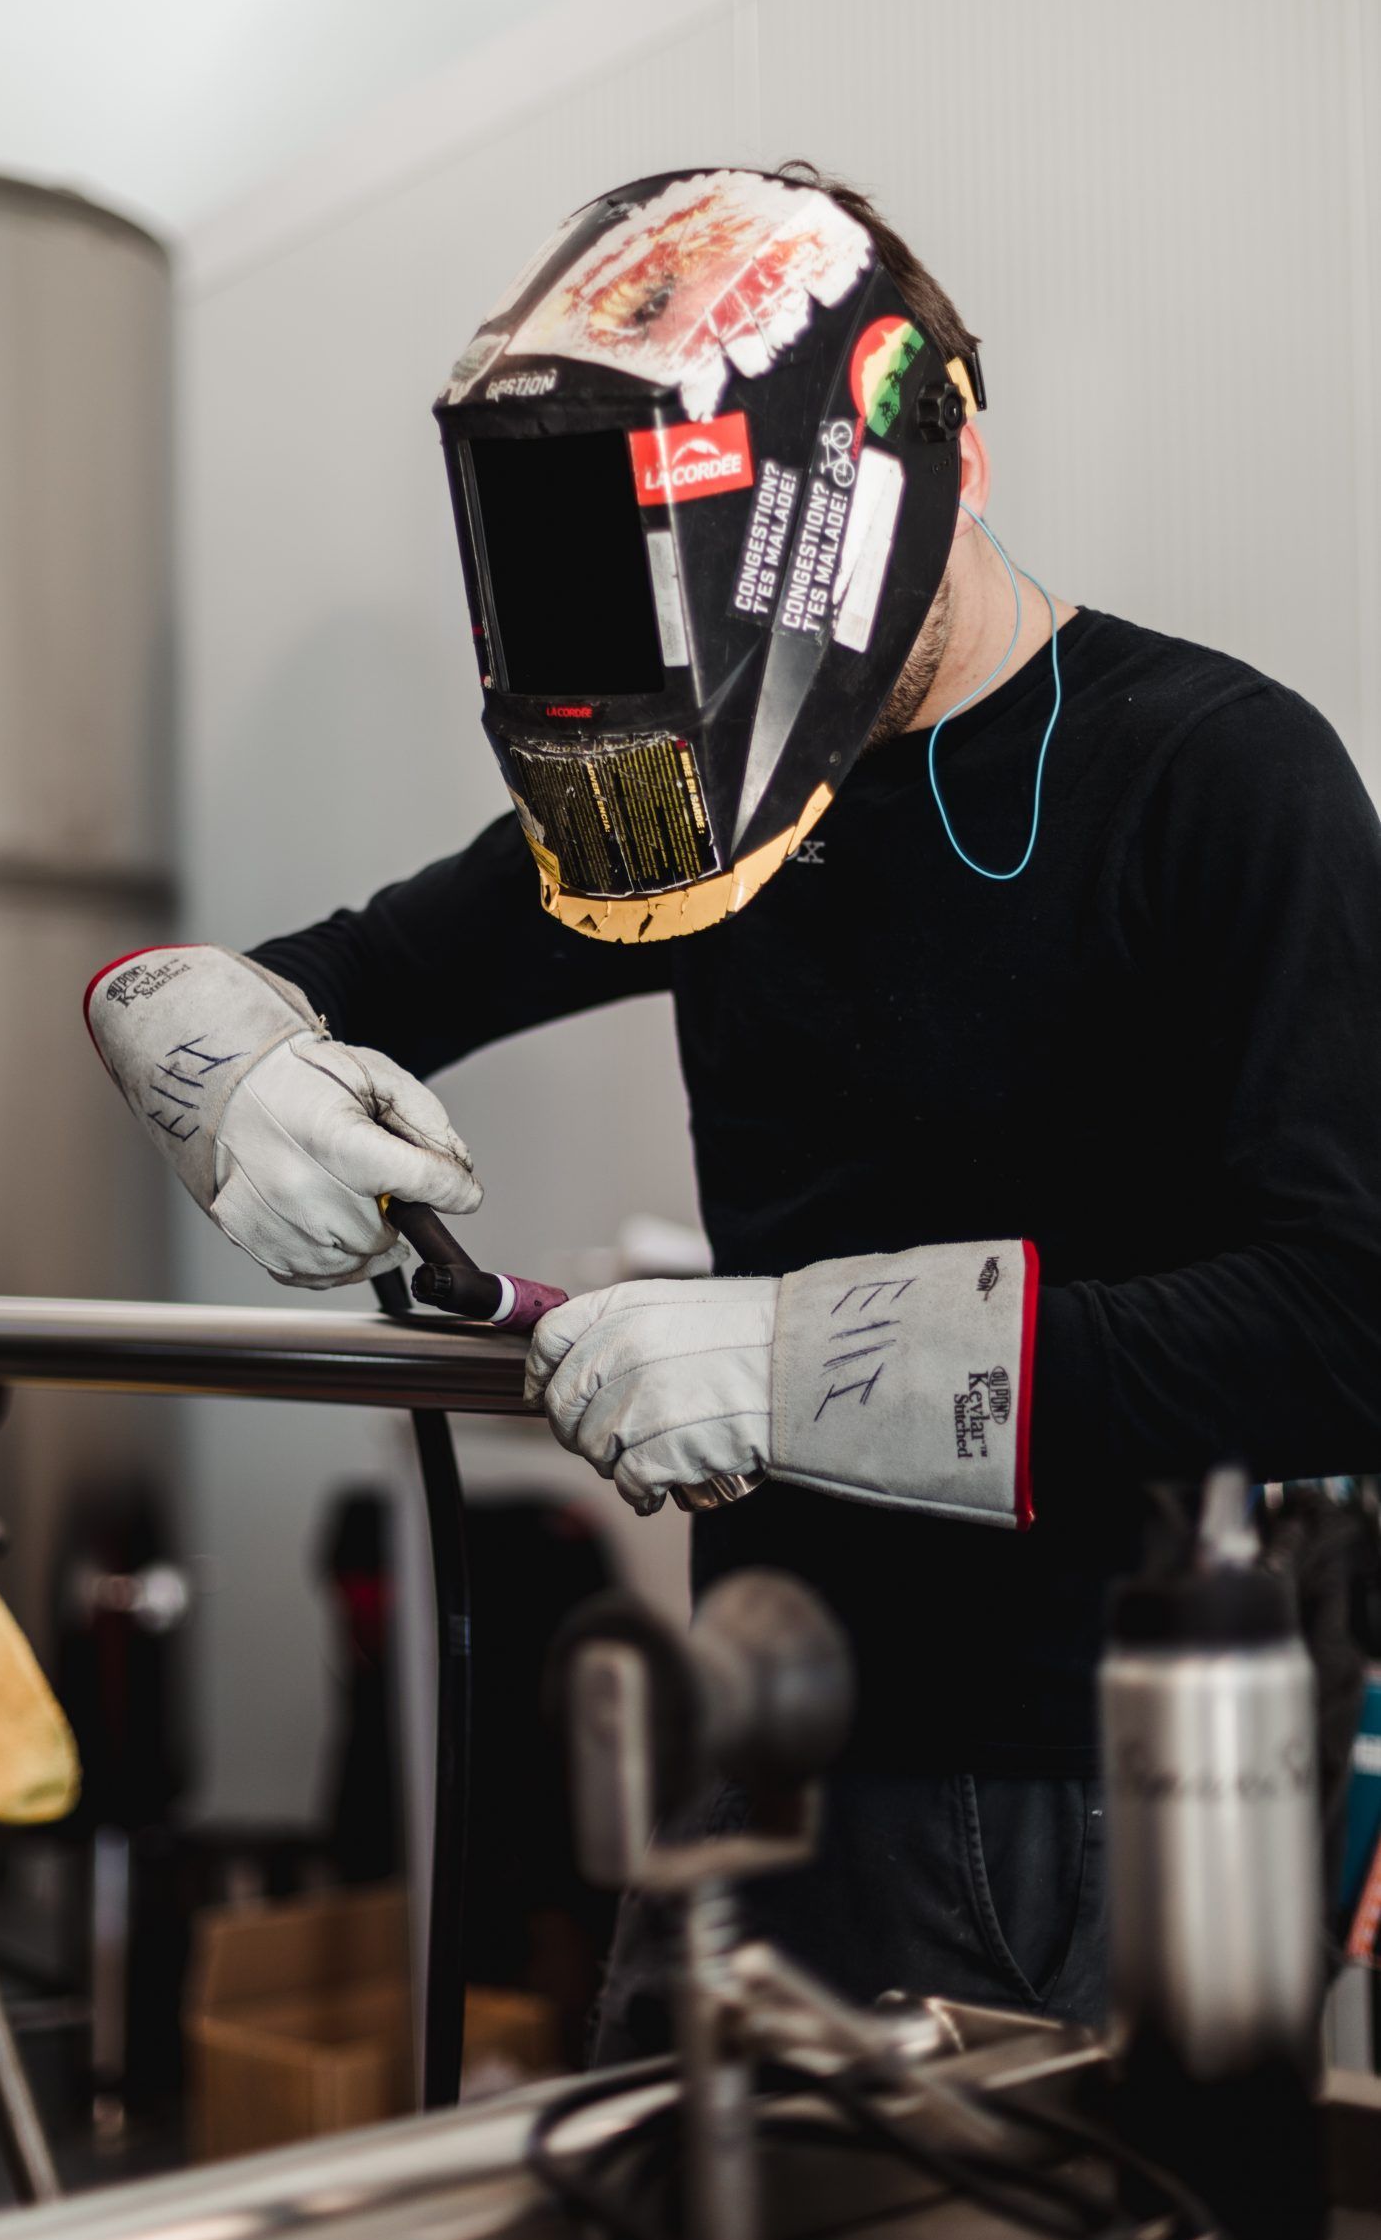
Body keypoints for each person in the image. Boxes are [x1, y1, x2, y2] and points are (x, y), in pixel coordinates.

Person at [85, 163, 1381, 2049]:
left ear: (939, 458)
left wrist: (795, 1360)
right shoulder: (731, 784)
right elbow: (322, 972)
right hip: (765, 1737)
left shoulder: (1219, 780)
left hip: (1104, 1784)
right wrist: (222, 1063)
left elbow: (1342, 1320)